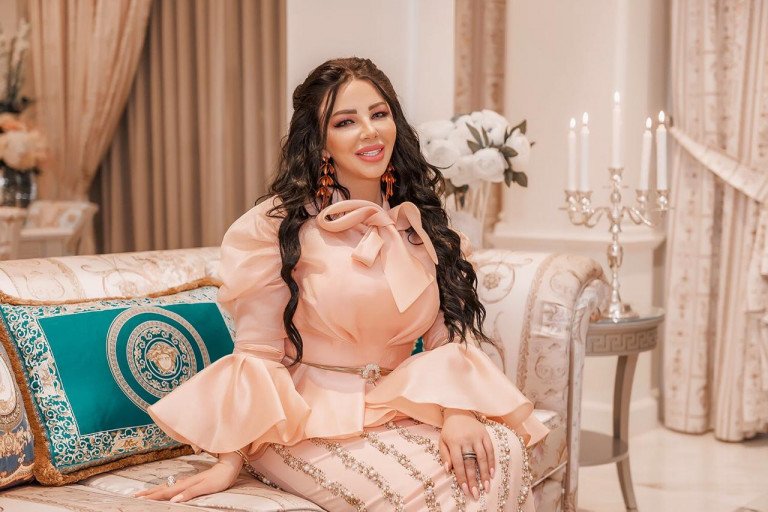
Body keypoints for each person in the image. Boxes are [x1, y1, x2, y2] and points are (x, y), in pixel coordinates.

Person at [137, 57, 547, 511]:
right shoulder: (276, 228)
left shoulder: (419, 222)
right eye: (345, 121)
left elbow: (443, 339)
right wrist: (228, 459)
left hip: (394, 405)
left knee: (501, 449)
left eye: (379, 114)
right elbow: (257, 355)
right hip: (301, 420)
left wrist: (459, 411)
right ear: (322, 142)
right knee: (433, 491)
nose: (369, 132)